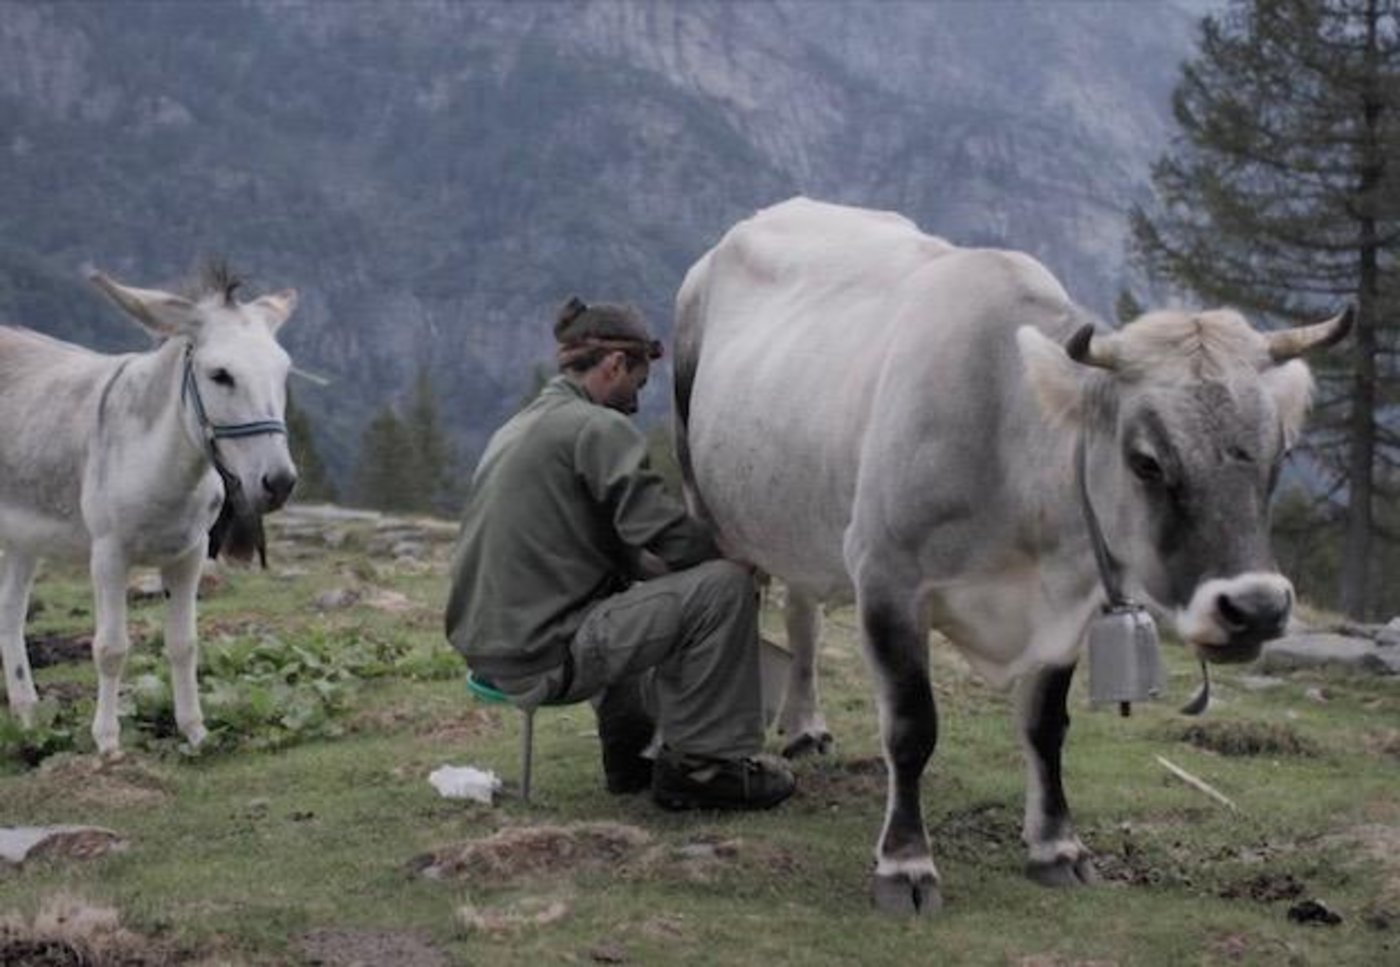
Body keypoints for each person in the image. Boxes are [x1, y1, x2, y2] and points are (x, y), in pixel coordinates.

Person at [444, 297, 794, 811]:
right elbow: (663, 530)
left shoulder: (522, 426)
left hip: (493, 651)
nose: (636, 402)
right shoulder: (596, 427)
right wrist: (733, 556)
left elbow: (614, 547)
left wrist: (661, 574)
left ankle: (630, 759)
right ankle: (704, 769)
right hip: (542, 656)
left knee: (629, 598)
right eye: (638, 382)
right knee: (724, 588)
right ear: (613, 365)